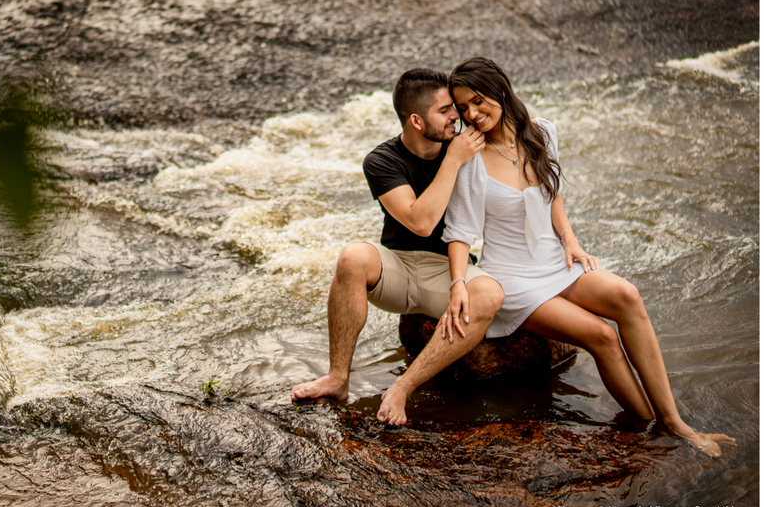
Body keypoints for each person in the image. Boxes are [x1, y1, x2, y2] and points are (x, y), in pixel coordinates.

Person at [439, 56, 736, 457]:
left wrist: (570, 240)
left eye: (477, 101)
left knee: (627, 296)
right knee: (602, 335)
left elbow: (552, 190)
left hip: (553, 261)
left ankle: (672, 421)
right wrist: (460, 283)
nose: (472, 114)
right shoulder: (468, 156)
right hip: (512, 276)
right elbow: (459, 231)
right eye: (462, 108)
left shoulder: (541, 131)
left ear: (501, 90)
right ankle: (655, 429)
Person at [290, 68, 504, 424]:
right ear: (417, 121)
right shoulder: (382, 160)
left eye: (457, 107)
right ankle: (337, 378)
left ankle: (402, 388)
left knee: (490, 294)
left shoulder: (466, 143)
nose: (458, 116)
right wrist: (452, 160)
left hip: (446, 269)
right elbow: (420, 222)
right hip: (398, 268)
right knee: (353, 256)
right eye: (446, 110)